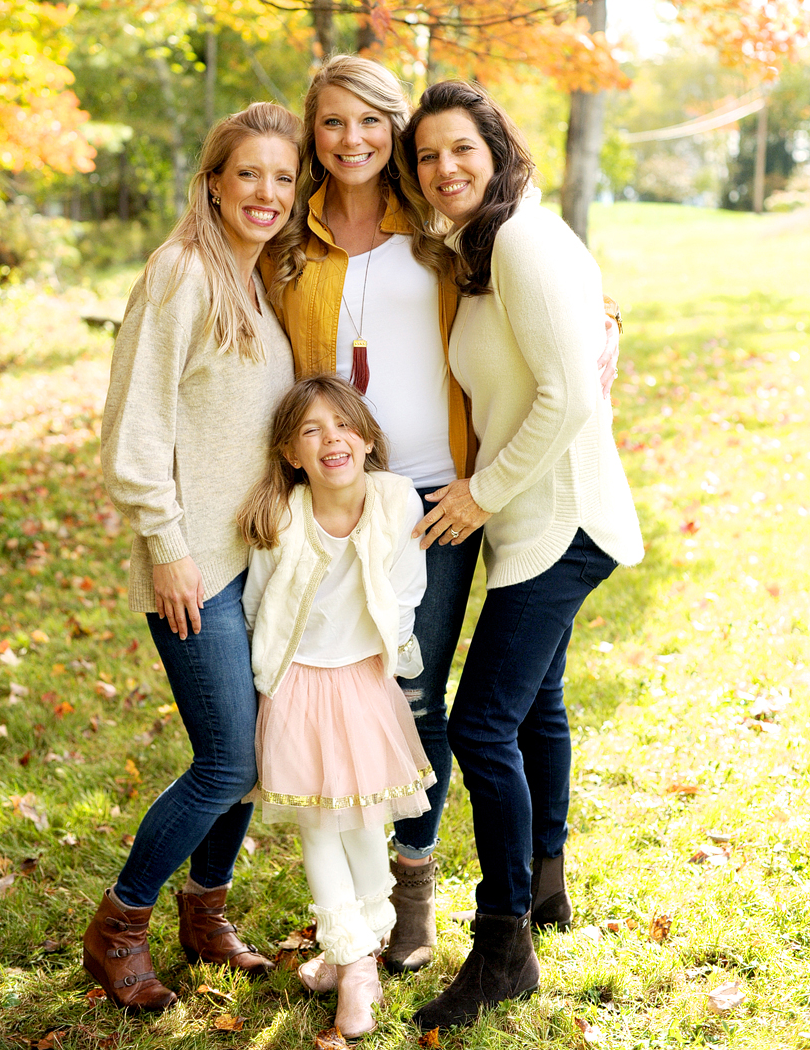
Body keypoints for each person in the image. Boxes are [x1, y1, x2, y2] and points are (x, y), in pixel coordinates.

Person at [260, 55, 621, 973]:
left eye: (374, 124)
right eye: (332, 123)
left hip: (445, 498)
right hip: (340, 494)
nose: (355, 141)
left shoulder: (449, 235)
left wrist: (605, 327)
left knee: (430, 700)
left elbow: (563, 326)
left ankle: (417, 898)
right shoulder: (295, 245)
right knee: (478, 691)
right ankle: (526, 884)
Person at [394, 81, 644, 1030]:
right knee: (536, 703)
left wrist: (479, 494)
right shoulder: (481, 248)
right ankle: (546, 885)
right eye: (426, 157)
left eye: (462, 148)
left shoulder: (524, 241)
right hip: (533, 519)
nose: (444, 168)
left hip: (560, 521)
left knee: (478, 727)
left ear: (496, 150)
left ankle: (502, 942)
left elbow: (570, 395)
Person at [83, 102, 303, 1010]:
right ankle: (118, 926)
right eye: (247, 172)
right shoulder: (179, 274)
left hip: (257, 563)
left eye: (283, 177)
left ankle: (204, 916)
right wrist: (166, 546)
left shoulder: (260, 285)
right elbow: (133, 431)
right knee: (225, 759)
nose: (266, 191)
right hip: (192, 566)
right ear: (212, 181)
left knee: (254, 753)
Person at [237, 374, 434, 1038]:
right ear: (292, 453)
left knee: (364, 819)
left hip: (362, 680)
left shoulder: (395, 500)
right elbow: (257, 607)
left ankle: (360, 946)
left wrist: (390, 650)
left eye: (343, 424)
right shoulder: (285, 518)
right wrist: (268, 679)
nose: (331, 439)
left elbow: (407, 585)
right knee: (321, 825)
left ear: (368, 438)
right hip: (299, 684)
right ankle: (351, 957)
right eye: (311, 430)